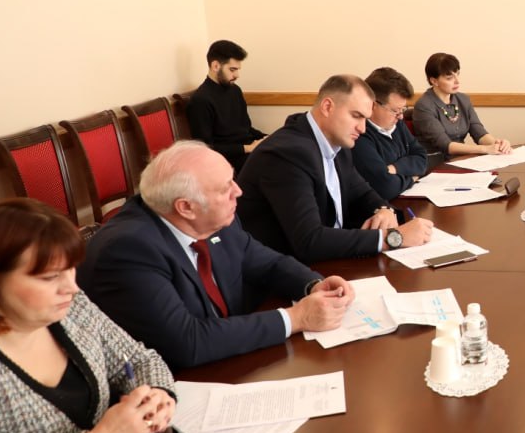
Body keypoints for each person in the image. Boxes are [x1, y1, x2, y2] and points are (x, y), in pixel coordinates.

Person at [0, 198, 177, 433]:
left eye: (71, 269)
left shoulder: (73, 309)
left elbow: (139, 359)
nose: (72, 287)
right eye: (49, 277)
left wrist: (157, 393)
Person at [78, 142, 356, 370]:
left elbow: (266, 262)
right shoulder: (128, 250)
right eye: (225, 188)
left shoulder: (214, 218)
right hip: (171, 388)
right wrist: (297, 318)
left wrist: (313, 285)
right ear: (186, 207)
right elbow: (187, 342)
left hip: (229, 362)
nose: (239, 191)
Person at [237, 74, 433, 262]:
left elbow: (363, 194)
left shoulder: (337, 144)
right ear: (327, 106)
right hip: (281, 273)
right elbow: (309, 241)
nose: (362, 128)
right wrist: (393, 237)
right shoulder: (288, 154)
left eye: (365, 119)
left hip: (325, 262)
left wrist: (385, 210)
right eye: (356, 116)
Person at [185, 39, 267, 174]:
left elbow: (246, 129)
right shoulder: (200, 100)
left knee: (286, 150)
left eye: (238, 70)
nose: (237, 75)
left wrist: (266, 138)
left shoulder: (235, 90)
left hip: (247, 150)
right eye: (232, 70)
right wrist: (247, 148)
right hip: (227, 160)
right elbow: (205, 149)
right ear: (215, 66)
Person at [412, 53, 511, 158]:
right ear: (434, 81)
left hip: (459, 159)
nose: (457, 81)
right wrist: (485, 149)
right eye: (449, 78)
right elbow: (445, 145)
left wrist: (497, 144)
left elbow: (479, 133)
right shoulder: (424, 106)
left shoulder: (463, 99)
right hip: (434, 160)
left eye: (457, 74)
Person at [353, 67, 429, 199]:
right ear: (373, 105)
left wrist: (395, 168)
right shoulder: (358, 134)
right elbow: (386, 187)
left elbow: (422, 158)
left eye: (403, 109)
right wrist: (412, 178)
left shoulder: (397, 123)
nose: (401, 116)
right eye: (395, 110)